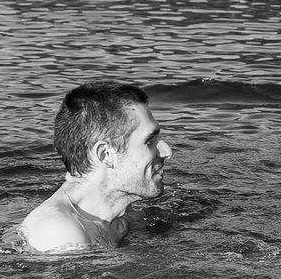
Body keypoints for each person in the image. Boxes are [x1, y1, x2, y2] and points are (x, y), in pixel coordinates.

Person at [20, 81, 173, 253]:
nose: (167, 151)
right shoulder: (61, 234)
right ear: (105, 154)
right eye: (149, 141)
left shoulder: (126, 217)